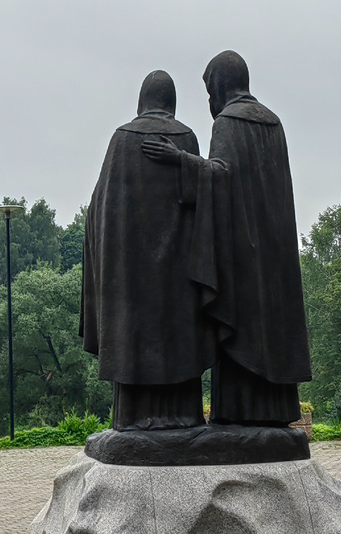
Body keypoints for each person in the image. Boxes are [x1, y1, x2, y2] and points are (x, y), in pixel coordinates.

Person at [142, 51, 312, 427]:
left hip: (242, 252)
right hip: (275, 248)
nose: (209, 102)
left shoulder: (229, 123)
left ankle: (239, 416)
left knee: (243, 326)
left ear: (219, 85)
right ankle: (277, 412)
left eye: (208, 91)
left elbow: (220, 176)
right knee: (272, 326)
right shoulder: (274, 123)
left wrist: (179, 158)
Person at [81, 70, 212, 430]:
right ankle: (182, 417)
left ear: (142, 101)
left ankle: (133, 419)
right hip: (178, 270)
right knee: (177, 333)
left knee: (132, 335)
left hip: (130, 273)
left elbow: (100, 208)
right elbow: (202, 199)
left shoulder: (121, 140)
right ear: (171, 103)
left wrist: (108, 258)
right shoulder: (186, 136)